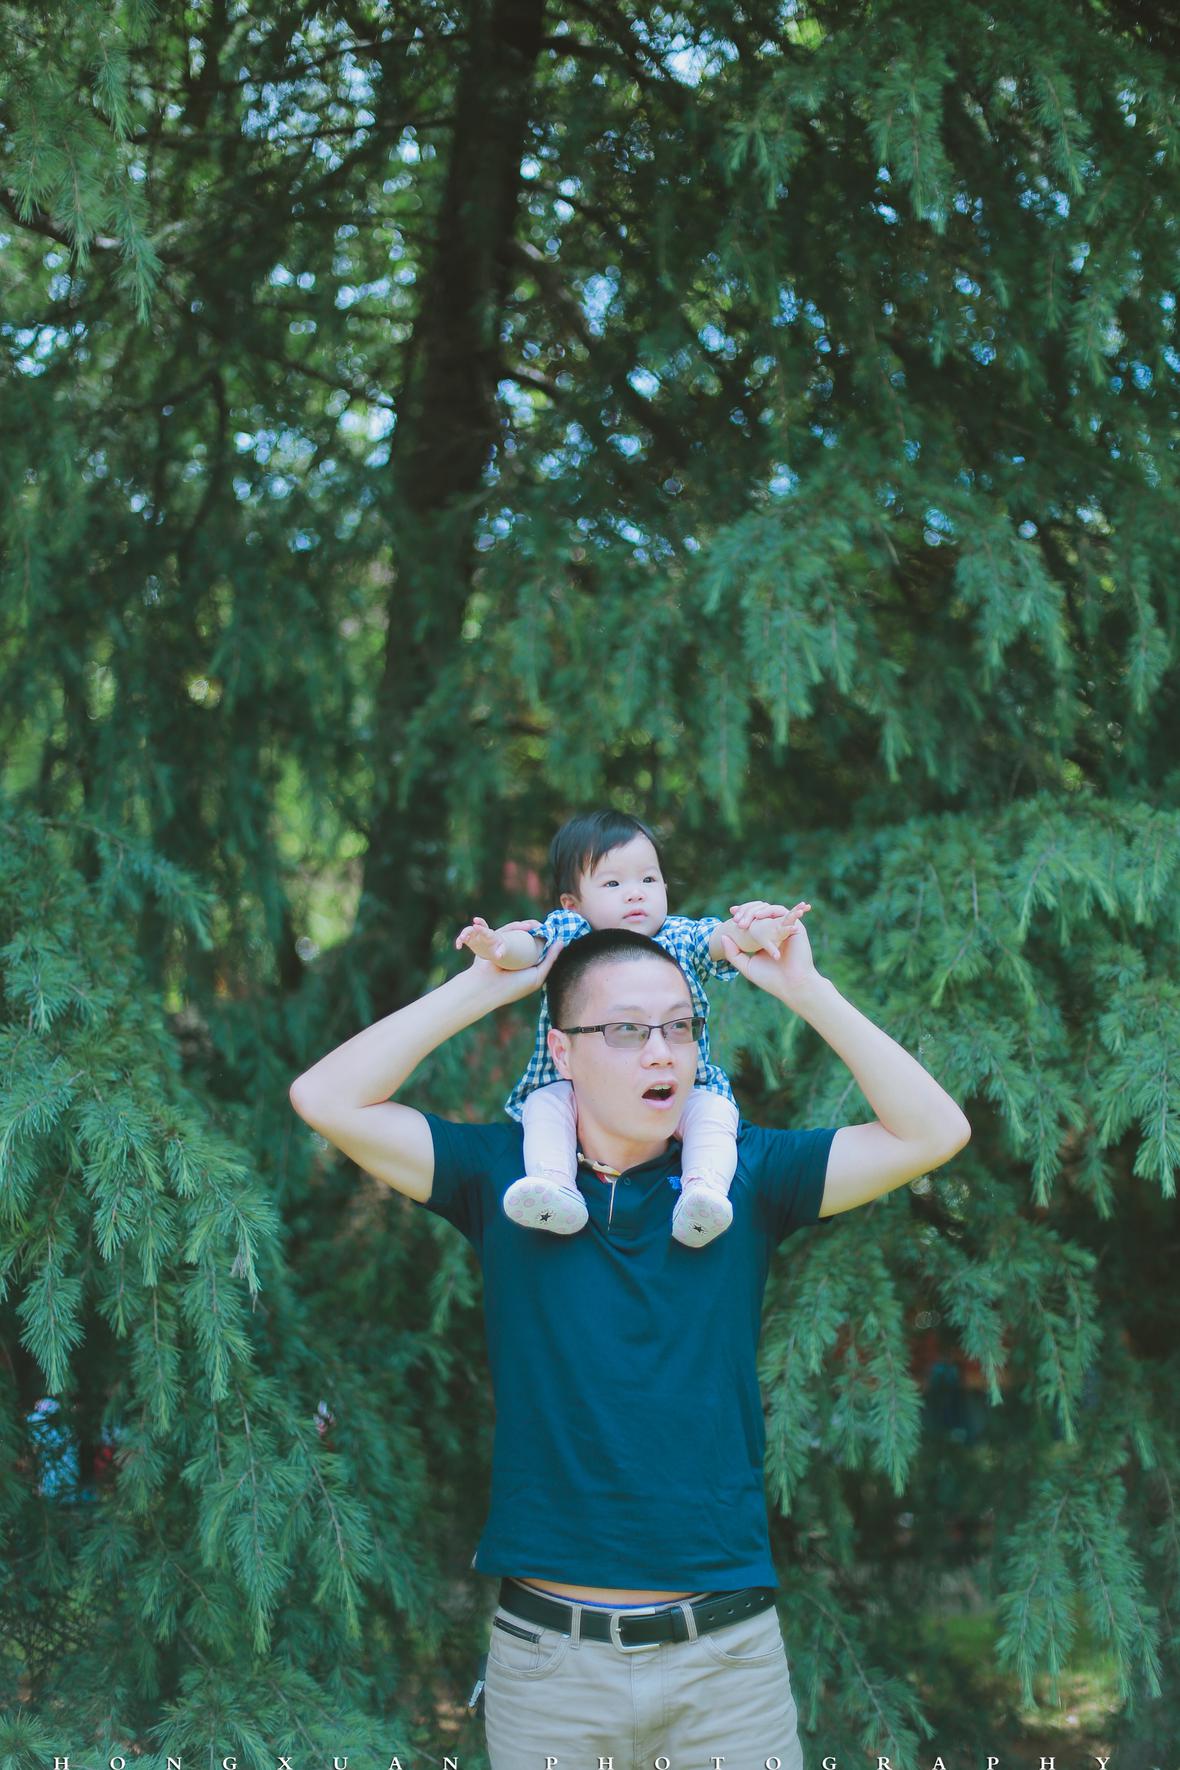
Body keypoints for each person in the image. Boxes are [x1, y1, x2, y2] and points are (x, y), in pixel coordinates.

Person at [288, 899, 971, 1770]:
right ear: (562, 1051)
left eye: (680, 1028)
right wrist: (483, 986)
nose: (662, 1052)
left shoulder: (745, 1178)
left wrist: (808, 990)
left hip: (727, 1668)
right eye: (625, 1030)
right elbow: (325, 1097)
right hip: (552, 1670)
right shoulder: (502, 1179)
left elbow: (935, 1130)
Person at [454, 808, 809, 1247]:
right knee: (544, 1107)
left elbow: (725, 938)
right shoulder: (572, 934)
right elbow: (531, 947)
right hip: (576, 1087)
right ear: (572, 903)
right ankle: (554, 1185)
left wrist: (760, 929)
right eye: (612, 884)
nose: (635, 893)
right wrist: (498, 945)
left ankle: (704, 1191)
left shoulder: (678, 937)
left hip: (684, 1086)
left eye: (648, 879)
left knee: (715, 1113)